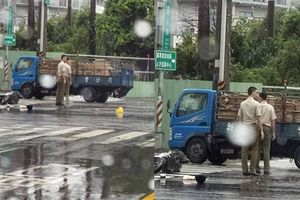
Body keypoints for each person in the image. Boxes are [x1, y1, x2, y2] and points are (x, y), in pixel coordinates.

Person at [238, 86, 264, 176]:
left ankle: (244, 170)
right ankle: (252, 169)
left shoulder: (242, 104)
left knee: (244, 149)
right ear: (252, 93)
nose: (257, 94)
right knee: (254, 149)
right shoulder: (257, 104)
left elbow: (240, 117)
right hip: (253, 127)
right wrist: (261, 131)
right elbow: (259, 118)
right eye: (256, 92)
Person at [256, 91, 277, 174]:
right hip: (267, 128)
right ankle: (266, 169)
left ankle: (256, 168)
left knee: (256, 149)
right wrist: (273, 132)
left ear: (261, 97)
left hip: (258, 127)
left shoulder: (257, 106)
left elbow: (256, 118)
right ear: (266, 97)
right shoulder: (270, 107)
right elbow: (273, 121)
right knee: (266, 150)